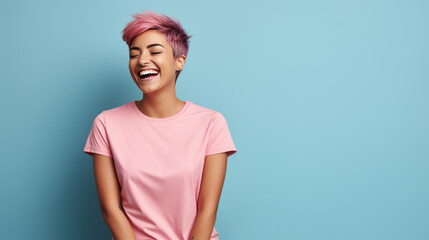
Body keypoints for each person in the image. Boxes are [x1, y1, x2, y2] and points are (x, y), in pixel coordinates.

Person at [83, 10, 237, 240]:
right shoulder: (106, 124)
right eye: (134, 54)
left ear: (179, 61)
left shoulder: (211, 123)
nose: (142, 60)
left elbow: (207, 211)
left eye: (154, 51)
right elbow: (110, 210)